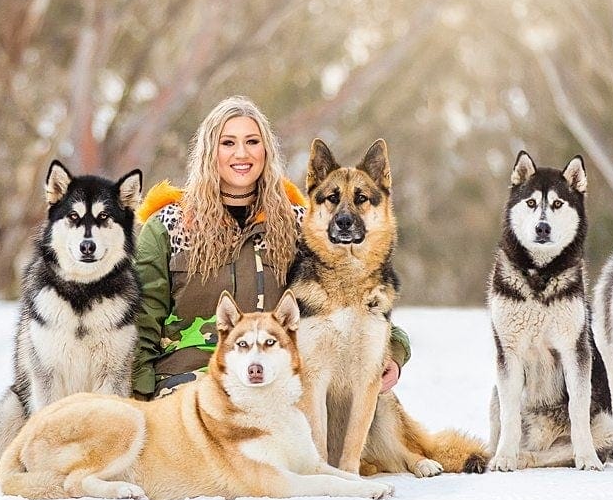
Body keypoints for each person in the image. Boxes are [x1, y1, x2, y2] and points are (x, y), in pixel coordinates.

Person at [131, 95, 410, 399]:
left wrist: (394, 350)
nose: (241, 153)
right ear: (210, 151)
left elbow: (353, 292)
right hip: (190, 384)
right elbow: (140, 324)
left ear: (266, 150)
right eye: (228, 143)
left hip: (276, 382)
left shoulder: (298, 223)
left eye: (252, 141)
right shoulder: (169, 225)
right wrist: (141, 400)